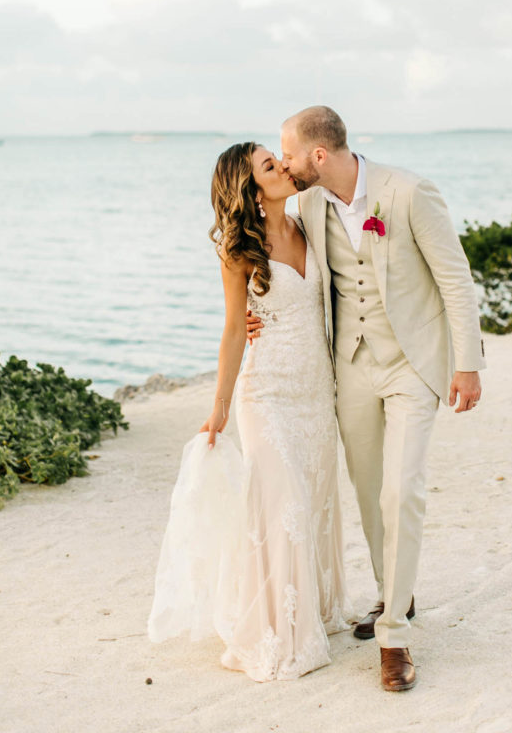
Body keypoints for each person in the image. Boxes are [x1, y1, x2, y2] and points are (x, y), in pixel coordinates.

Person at [247, 107, 486, 692]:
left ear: (318, 155)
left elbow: (456, 279)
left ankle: (394, 636)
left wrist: (468, 364)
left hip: (411, 363)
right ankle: (393, 591)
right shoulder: (307, 204)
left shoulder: (408, 192)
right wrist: (257, 313)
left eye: (287, 153)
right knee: (369, 491)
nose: (283, 164)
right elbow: (264, 245)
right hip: (349, 367)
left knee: (402, 490)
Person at [147, 142, 351, 681]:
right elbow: (236, 330)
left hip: (316, 392)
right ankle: (279, 630)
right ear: (252, 190)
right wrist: (217, 407)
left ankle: (315, 608)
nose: (283, 166)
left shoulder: (309, 222)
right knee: (282, 503)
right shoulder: (238, 251)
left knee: (313, 499)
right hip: (267, 395)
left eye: (276, 159)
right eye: (269, 165)